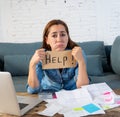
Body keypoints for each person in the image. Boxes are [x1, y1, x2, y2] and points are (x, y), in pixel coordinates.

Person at [27, 19, 89, 94]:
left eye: (63, 35)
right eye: (54, 36)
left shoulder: (78, 53)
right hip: (49, 92)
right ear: (47, 40)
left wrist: (81, 62)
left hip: (72, 93)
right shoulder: (41, 56)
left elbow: (82, 87)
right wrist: (32, 64)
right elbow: (33, 90)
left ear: (67, 37)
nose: (59, 39)